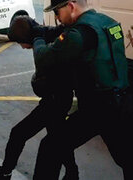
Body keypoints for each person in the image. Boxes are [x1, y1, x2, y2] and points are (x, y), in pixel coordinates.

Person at [21, 0, 132, 179]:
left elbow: (43, 59)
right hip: (121, 102)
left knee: (51, 148)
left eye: (57, 12)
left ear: (71, 6)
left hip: (97, 109)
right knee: (127, 158)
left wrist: (37, 39)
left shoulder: (79, 35)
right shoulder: (108, 22)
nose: (57, 18)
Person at [0, 16, 79, 180]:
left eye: (20, 42)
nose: (22, 47)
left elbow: (49, 70)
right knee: (59, 140)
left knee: (20, 134)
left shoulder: (44, 42)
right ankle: (72, 173)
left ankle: (5, 172)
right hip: (54, 100)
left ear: (26, 37)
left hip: (56, 101)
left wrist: (39, 83)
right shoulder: (44, 36)